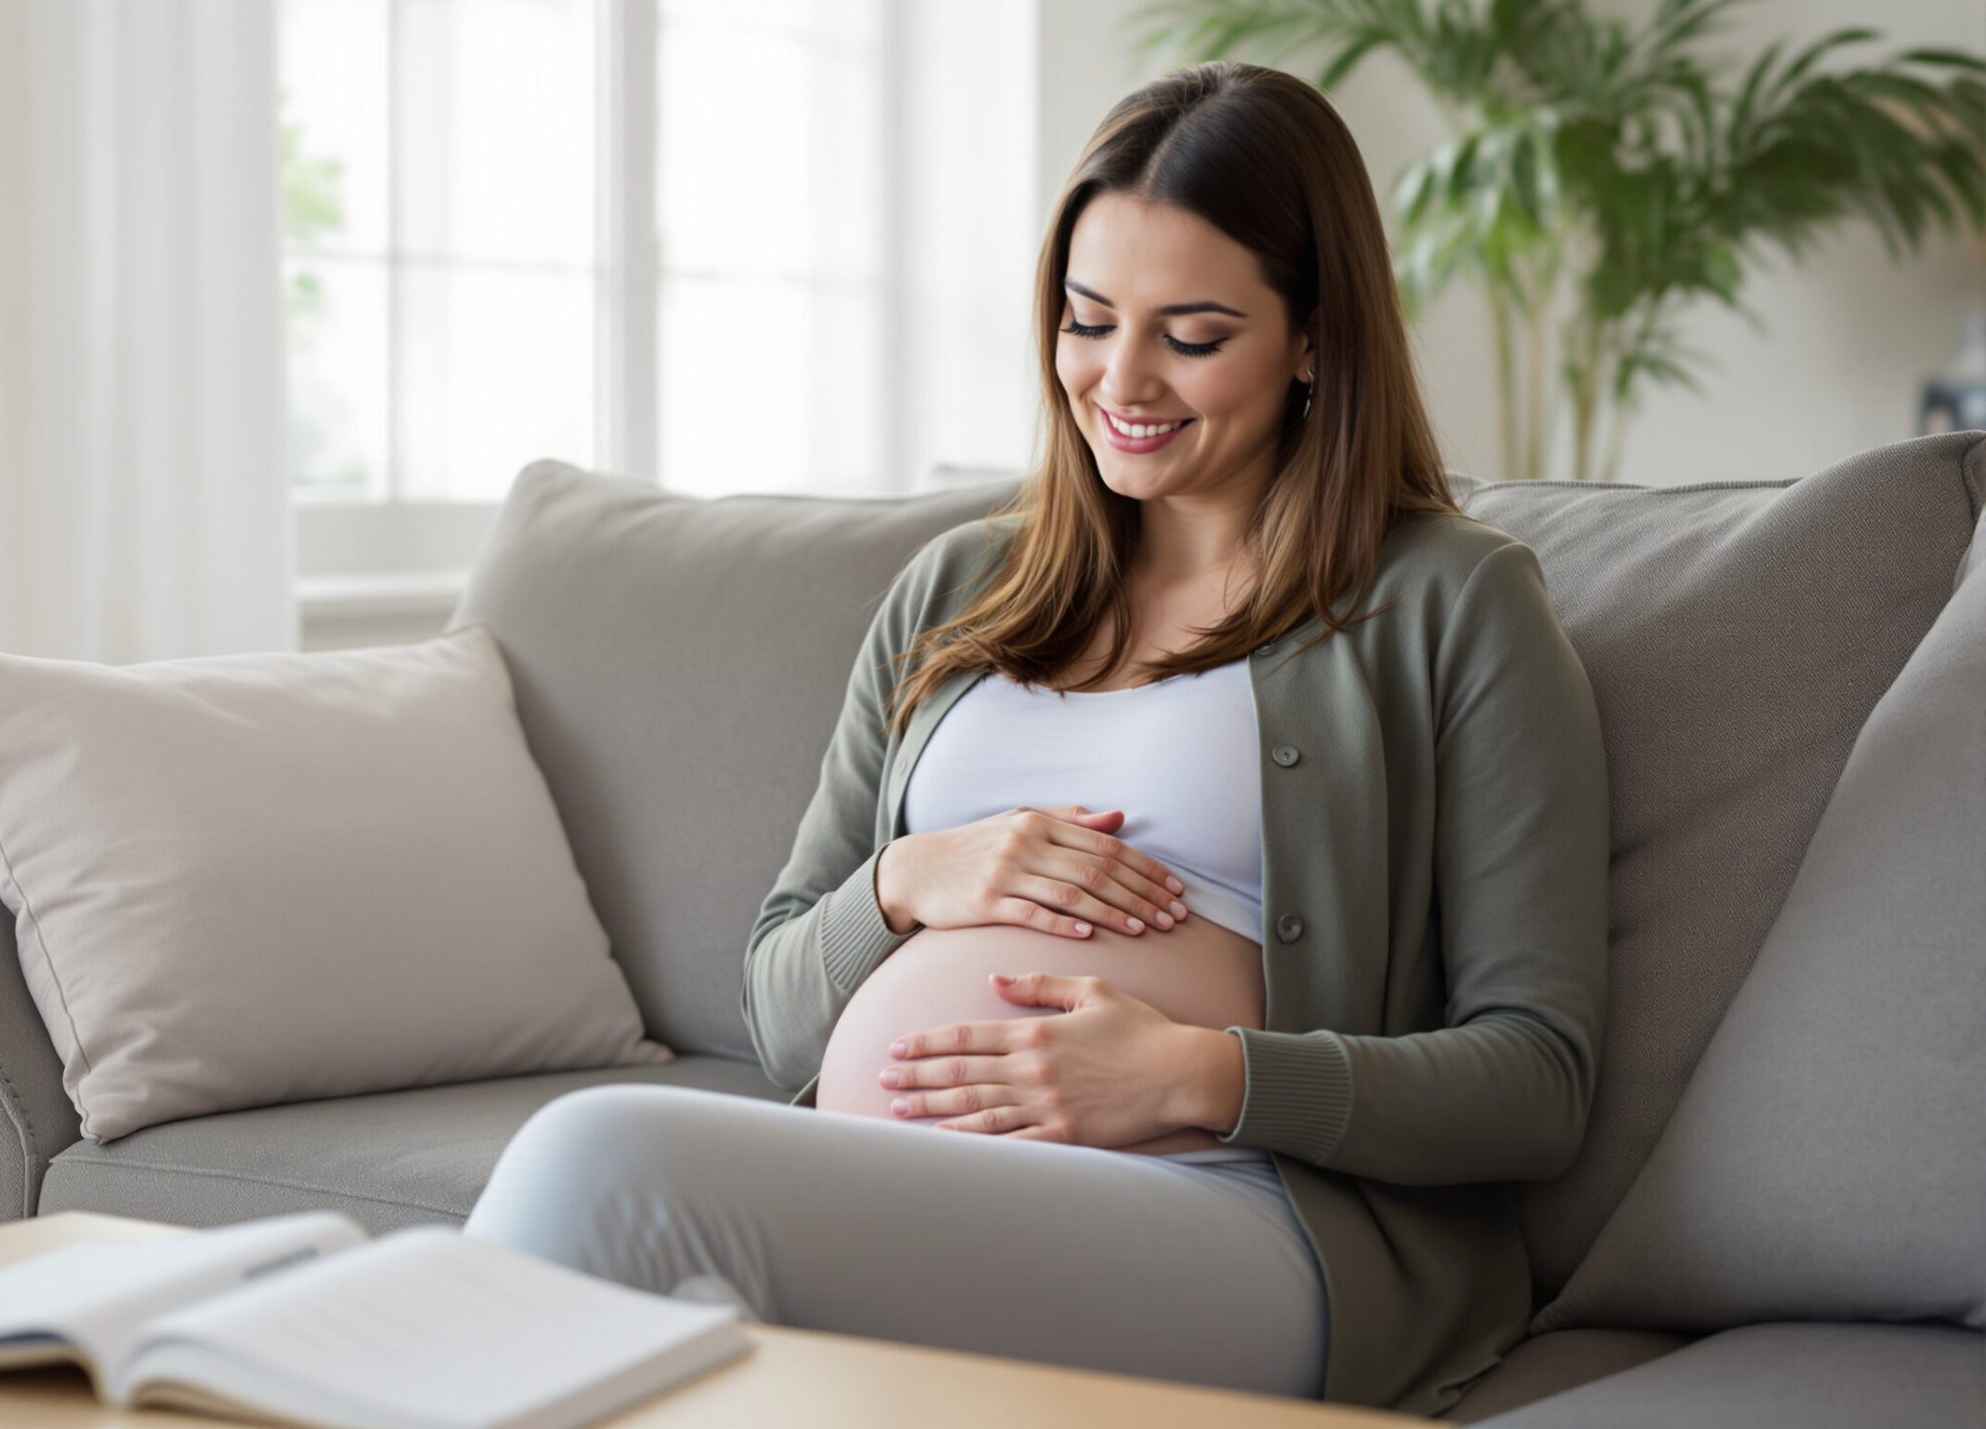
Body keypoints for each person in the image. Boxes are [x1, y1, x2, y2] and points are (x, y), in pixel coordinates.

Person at [463, 60, 1609, 1420]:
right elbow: (778, 1012)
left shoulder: (1450, 603)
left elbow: (1537, 1079)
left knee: (603, 1160)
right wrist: (910, 882)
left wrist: (1200, 1073)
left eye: (1191, 335)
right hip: (926, 1188)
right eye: (1086, 318)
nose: (1120, 380)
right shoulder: (955, 590)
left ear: (1315, 336)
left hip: (1240, 1210)